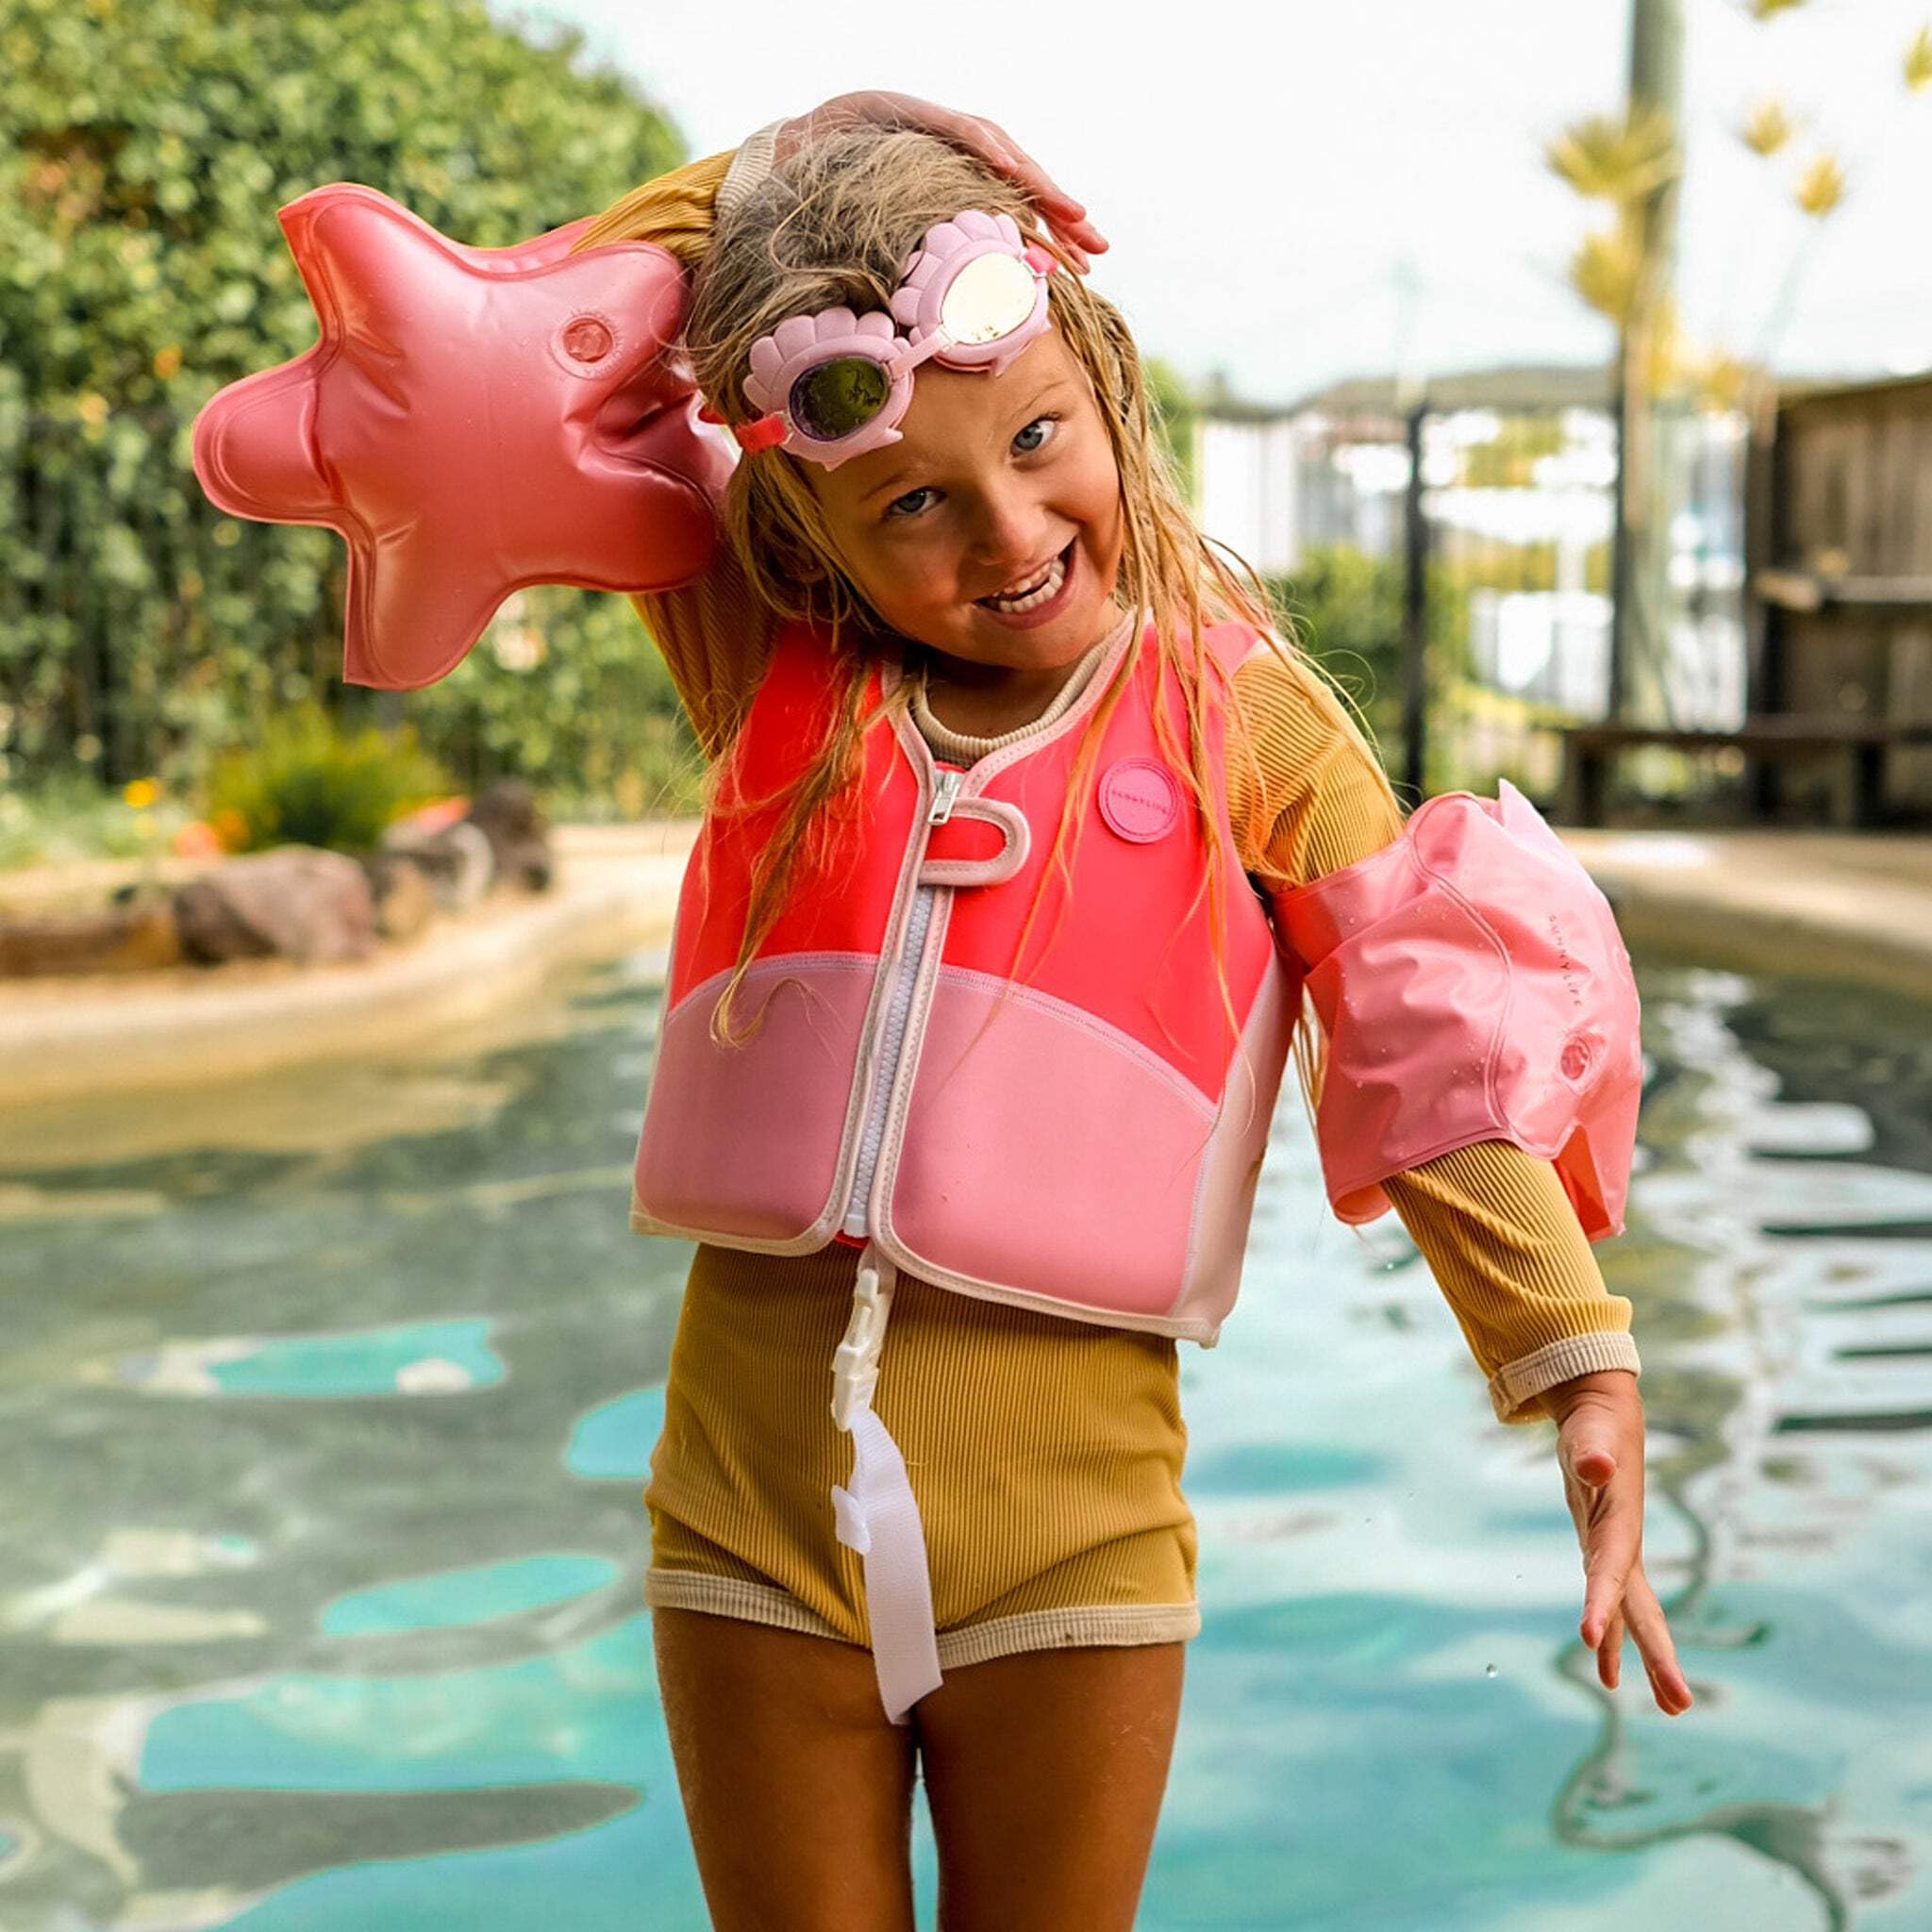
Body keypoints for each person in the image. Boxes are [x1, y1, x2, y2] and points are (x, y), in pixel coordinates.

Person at [569, 92, 1693, 1932]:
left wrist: (1572, 1355)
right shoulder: (764, 656)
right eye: (912, 503)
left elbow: (1422, 1041)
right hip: (743, 1533)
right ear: (810, 523)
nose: (1007, 531)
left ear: (1101, 380)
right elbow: (549, 378)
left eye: (1037, 438)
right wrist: (791, 164)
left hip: (1071, 1554)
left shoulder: (1244, 718)